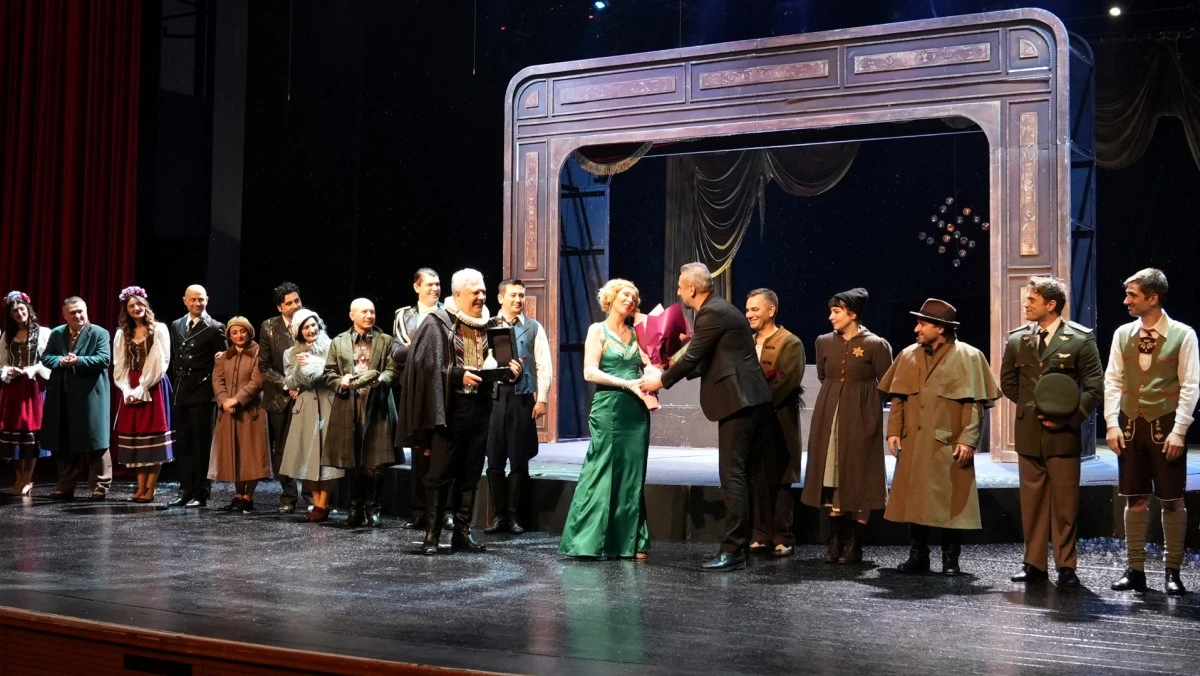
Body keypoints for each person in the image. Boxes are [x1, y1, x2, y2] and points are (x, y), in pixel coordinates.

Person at [641, 263, 773, 571]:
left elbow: (694, 357)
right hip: (748, 401)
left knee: (733, 475)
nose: (678, 292)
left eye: (680, 287)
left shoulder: (712, 312)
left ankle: (734, 550)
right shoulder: (718, 310)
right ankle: (740, 547)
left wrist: (660, 381)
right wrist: (670, 363)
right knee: (741, 475)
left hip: (741, 401)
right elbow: (707, 359)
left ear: (692, 288)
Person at [398, 269, 519, 555]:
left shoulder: (491, 325)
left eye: (483, 291)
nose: (481, 296)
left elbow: (501, 362)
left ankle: (462, 534)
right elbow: (423, 365)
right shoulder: (437, 323)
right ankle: (432, 535)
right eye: (475, 292)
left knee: (470, 472)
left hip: (480, 408)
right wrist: (456, 374)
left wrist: (513, 371)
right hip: (449, 410)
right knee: (440, 474)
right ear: (457, 294)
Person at [879, 298, 999, 576]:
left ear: (941, 328)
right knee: (915, 498)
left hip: (949, 443)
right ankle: (918, 556)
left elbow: (975, 404)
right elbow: (898, 398)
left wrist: (968, 439)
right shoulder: (908, 355)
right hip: (914, 441)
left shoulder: (969, 356)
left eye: (922, 323)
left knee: (950, 500)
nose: (916, 329)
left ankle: (950, 559)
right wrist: (893, 430)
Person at [1000, 276, 1103, 588]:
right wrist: (1037, 408)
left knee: (1065, 504)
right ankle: (1033, 563)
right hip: (1030, 433)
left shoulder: (1080, 340)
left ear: (1051, 304)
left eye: (1032, 299)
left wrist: (1066, 418)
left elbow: (1094, 388)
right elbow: (1008, 383)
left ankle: (1066, 566)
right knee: (1031, 503)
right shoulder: (1018, 339)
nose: (1026, 304)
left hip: (1063, 434)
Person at [1103, 268, 1198, 596]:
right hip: (1130, 426)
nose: (1126, 300)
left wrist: (1179, 430)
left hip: (1165, 427)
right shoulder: (1122, 334)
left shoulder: (1183, 334)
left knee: (1172, 499)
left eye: (1132, 295)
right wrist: (1112, 423)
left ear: (1153, 298)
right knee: (1135, 498)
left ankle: (1173, 571)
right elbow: (1113, 379)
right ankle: (1135, 570)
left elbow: (1190, 385)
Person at [558, 279, 653, 560]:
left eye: (634, 297)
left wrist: (658, 368)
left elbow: (651, 365)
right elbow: (589, 372)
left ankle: (631, 540)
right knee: (601, 469)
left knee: (632, 472)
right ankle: (588, 541)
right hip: (608, 408)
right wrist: (626, 383)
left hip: (635, 412)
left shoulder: (638, 334)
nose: (631, 299)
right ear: (611, 297)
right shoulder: (597, 330)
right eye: (626, 294)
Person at [802, 288, 893, 565]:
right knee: (831, 473)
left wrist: (866, 405)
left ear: (852, 314)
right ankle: (836, 540)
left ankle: (855, 543)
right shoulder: (824, 342)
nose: (831, 317)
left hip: (861, 416)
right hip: (829, 413)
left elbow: (887, 382)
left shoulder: (876, 344)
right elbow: (823, 375)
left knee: (860, 474)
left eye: (836, 311)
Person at [485, 278, 552, 535]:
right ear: (500, 298)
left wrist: (542, 398)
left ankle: (514, 516)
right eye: (513, 295)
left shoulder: (533, 327)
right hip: (494, 399)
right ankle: (498, 516)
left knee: (519, 459)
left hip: (522, 399)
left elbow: (544, 365)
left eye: (521, 295)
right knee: (494, 459)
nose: (518, 300)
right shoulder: (488, 325)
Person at [323, 298, 398, 528]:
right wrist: (341, 381)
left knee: (375, 464)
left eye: (372, 312)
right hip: (349, 405)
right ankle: (354, 509)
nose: (369, 316)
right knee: (352, 462)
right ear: (352, 315)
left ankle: (373, 509)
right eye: (364, 312)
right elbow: (328, 373)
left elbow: (393, 369)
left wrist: (381, 379)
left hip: (377, 405)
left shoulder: (386, 340)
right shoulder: (339, 341)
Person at [744, 288, 804, 558]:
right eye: (747, 309)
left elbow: (787, 381)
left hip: (779, 419)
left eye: (755, 309)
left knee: (781, 476)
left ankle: (783, 536)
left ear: (771, 310)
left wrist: (758, 405)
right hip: (752, 419)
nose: (749, 314)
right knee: (757, 476)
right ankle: (760, 534)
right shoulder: (746, 342)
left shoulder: (790, 342)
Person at [41, 297, 113, 501]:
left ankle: (100, 486)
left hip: (90, 396)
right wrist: (60, 360)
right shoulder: (57, 333)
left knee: (95, 440)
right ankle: (66, 486)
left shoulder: (99, 333)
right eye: (72, 312)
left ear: (86, 311)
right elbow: (46, 357)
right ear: (65, 315)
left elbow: (104, 359)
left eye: (81, 311)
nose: (78, 315)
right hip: (62, 395)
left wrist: (78, 360)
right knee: (63, 440)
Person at [278, 309, 343, 522]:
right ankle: (317, 503)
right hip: (305, 409)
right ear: (299, 331)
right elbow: (290, 382)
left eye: (314, 325)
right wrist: (301, 367)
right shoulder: (290, 353)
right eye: (306, 327)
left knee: (327, 460)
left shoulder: (332, 346)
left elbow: (337, 375)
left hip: (328, 405)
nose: (311, 330)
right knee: (308, 457)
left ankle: (323, 503)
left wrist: (316, 364)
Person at [391, 267, 444, 530]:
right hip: (414, 391)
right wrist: (420, 349)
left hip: (442, 390)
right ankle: (420, 511)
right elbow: (396, 353)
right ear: (417, 287)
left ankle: (444, 511)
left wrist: (415, 349)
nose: (435, 289)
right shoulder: (404, 317)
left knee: (442, 453)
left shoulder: (447, 314)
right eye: (429, 284)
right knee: (419, 453)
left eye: (437, 284)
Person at [112, 287, 175, 503]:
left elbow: (160, 360)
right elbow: (120, 364)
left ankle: (151, 487)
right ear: (126, 310)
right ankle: (140, 487)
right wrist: (127, 389)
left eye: (139, 304)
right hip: (131, 384)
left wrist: (143, 386)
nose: (136, 308)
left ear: (146, 306)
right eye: (131, 306)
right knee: (137, 439)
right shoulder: (122, 334)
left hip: (153, 384)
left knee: (152, 438)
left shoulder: (158, 329)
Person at [168, 285, 227, 508]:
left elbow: (221, 364)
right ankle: (185, 490)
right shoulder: (177, 325)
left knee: (201, 444)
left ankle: (201, 493)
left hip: (203, 392)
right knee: (183, 443)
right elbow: (177, 358)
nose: (197, 303)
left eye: (200, 299)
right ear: (185, 301)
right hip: (182, 391)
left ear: (207, 300)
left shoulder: (215, 328)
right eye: (192, 299)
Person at [208, 316, 271, 512]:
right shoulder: (224, 356)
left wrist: (237, 400)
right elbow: (217, 381)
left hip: (251, 412)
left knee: (251, 455)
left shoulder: (258, 353)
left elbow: (257, 382)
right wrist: (224, 401)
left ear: (249, 332)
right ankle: (238, 495)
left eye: (242, 331)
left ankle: (248, 497)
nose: (239, 335)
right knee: (234, 453)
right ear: (229, 335)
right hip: (229, 413)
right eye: (234, 332)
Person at [258, 282, 305, 514]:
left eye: (297, 300)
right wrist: (287, 384)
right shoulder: (268, 327)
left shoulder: (310, 321)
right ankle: (288, 496)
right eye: (289, 303)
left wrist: (302, 384)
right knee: (283, 448)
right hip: (280, 396)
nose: (295, 306)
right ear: (280, 307)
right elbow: (264, 367)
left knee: (309, 446)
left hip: (307, 393)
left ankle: (313, 498)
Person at [0, 291, 51, 496]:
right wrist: (7, 370)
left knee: (30, 433)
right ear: (11, 315)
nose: (19, 313)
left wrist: (33, 368)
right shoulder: (7, 335)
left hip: (33, 388)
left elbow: (48, 360)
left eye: (22, 309)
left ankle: (28, 479)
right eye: (15, 311)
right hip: (13, 388)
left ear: (28, 310)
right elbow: (1, 362)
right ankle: (18, 477)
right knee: (15, 434)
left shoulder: (43, 333)